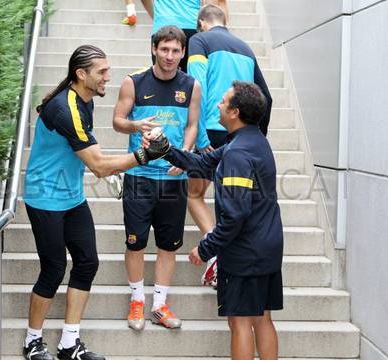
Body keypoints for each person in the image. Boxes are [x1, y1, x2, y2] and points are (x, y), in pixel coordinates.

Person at [22, 45, 168, 360]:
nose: (107, 77)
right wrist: (143, 156)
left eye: (107, 70)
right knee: (54, 268)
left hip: (71, 195)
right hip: (45, 196)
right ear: (81, 74)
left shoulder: (85, 102)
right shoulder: (66, 109)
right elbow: (100, 166)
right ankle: (32, 341)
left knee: (87, 262)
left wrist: (130, 155)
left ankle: (68, 344)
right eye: (101, 72)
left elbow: (97, 157)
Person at [146, 81, 284, 360]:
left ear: (235, 112)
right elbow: (203, 164)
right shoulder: (253, 140)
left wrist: (206, 248)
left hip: (246, 252)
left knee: (240, 321)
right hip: (267, 245)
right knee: (262, 318)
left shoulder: (237, 154)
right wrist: (165, 149)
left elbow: (235, 215)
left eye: (223, 101)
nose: (218, 105)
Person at [112, 26, 200, 331]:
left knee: (168, 245)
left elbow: (192, 125)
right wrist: (136, 126)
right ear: (153, 49)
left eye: (176, 51)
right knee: (135, 243)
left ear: (183, 53)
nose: (170, 56)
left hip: (174, 179)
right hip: (139, 175)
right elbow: (117, 121)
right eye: (164, 49)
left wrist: (185, 154)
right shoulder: (133, 81)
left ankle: (160, 306)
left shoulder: (191, 85)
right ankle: (137, 301)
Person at [186, 5, 273, 283]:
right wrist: (257, 135)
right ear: (226, 21)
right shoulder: (245, 47)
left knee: (194, 195)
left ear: (201, 23)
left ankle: (215, 253)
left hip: (211, 131)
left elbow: (195, 88)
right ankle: (224, 253)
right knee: (233, 200)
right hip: (240, 133)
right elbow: (266, 97)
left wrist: (199, 140)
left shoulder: (199, 40)